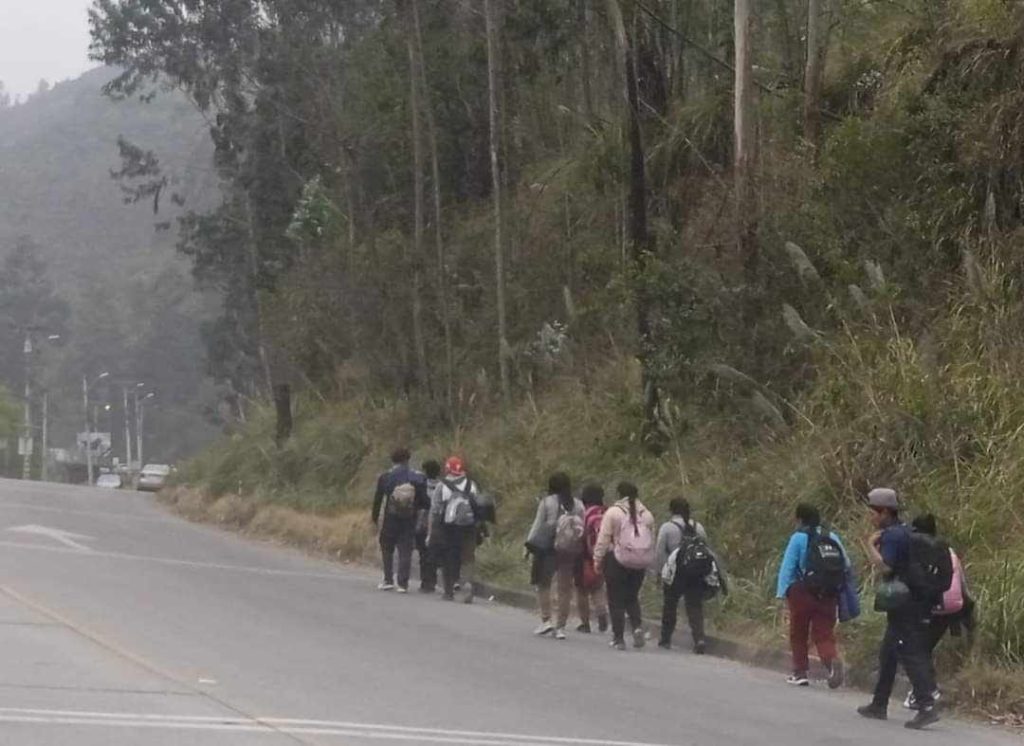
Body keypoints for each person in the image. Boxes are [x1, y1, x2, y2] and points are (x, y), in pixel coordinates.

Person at [857, 488, 940, 730]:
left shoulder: (893, 536)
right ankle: (879, 703)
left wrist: (870, 545)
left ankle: (926, 705)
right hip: (913, 600)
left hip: (906, 602)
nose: (871, 517)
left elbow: (886, 567)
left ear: (884, 512)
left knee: (909, 652)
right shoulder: (906, 531)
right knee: (889, 652)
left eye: (873, 512)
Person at [903, 514, 974, 711]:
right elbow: (961, 581)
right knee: (924, 648)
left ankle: (926, 692)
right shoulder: (948, 550)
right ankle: (924, 691)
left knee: (918, 650)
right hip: (953, 607)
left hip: (931, 605)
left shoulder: (918, 548)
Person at [775, 503, 848, 688]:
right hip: (828, 593)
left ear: (800, 519)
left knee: (798, 632)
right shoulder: (831, 537)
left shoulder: (798, 538)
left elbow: (788, 567)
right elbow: (845, 564)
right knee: (824, 634)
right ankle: (832, 661)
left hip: (802, 592)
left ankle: (800, 673)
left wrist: (782, 593)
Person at [592, 482, 656, 651]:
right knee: (632, 597)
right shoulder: (647, 515)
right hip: (639, 562)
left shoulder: (613, 512)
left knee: (615, 599)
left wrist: (597, 559)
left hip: (616, 560)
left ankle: (619, 638)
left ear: (619, 494)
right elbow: (651, 540)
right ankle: (637, 627)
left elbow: (603, 538)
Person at [525, 472, 584, 640]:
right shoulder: (578, 504)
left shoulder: (547, 502)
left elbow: (537, 524)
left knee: (543, 584)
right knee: (565, 588)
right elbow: (582, 526)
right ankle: (561, 627)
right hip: (568, 548)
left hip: (547, 548)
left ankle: (546, 620)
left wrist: (528, 545)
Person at [655, 498, 710, 654]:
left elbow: (659, 553)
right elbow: (706, 549)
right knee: (694, 606)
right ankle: (699, 639)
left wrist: (660, 572)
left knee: (670, 605)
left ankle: (666, 639)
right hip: (696, 572)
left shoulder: (667, 527)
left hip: (675, 573)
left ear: (671, 510)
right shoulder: (698, 527)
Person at [371, 447, 429, 593]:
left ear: (392, 460)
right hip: (409, 518)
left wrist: (375, 518)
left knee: (386, 547)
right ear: (408, 459)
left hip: (390, 517)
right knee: (405, 549)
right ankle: (403, 583)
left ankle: (388, 579)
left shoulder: (386, 477)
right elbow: (425, 501)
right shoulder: (417, 477)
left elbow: (378, 500)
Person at [430, 456, 481, 603]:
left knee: (448, 558)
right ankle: (467, 585)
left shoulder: (442, 486)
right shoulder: (471, 484)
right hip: (469, 527)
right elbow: (477, 505)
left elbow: (435, 510)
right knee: (468, 558)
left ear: (447, 469)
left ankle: (448, 591)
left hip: (449, 528)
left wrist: (433, 531)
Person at [578, 483, 609, 634]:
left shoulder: (585, 514)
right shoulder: (607, 512)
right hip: (606, 555)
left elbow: (581, 535)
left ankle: (585, 623)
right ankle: (602, 612)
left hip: (586, 557)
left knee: (582, 589)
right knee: (598, 586)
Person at [416, 459, 442, 593]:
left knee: (423, 553)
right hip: (438, 523)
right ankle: (432, 580)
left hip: (422, 522)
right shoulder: (442, 486)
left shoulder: (420, 485)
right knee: (434, 552)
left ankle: (425, 581)